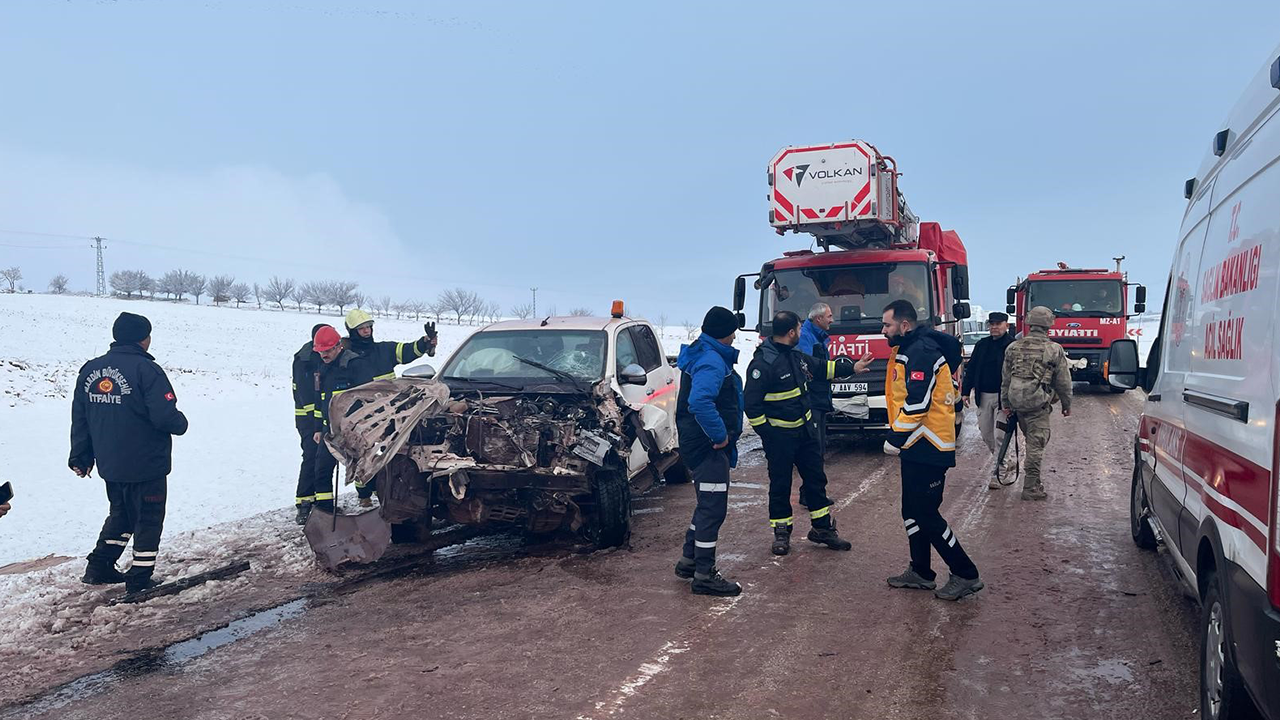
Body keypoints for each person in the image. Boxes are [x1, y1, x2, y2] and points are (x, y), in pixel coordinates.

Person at [856, 300, 982, 601]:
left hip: (929, 445)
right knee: (910, 510)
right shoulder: (908, 349)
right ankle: (921, 572)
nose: (882, 330)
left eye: (886, 325)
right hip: (916, 444)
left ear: (904, 325)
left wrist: (894, 438)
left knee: (926, 513)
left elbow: (917, 404)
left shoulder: (921, 352)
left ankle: (965, 573)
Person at [70, 312, 189, 594]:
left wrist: (81, 455)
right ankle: (140, 578)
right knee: (148, 517)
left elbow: (81, 417)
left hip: (111, 463)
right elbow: (164, 416)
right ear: (143, 339)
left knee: (121, 513)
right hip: (146, 463)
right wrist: (180, 422)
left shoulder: (90, 370)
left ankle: (99, 565)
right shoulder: (147, 370)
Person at [744, 311, 855, 556]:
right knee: (781, 485)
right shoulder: (763, 364)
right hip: (780, 439)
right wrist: (768, 435)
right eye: (799, 328)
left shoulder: (796, 356)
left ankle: (822, 530)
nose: (801, 332)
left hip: (805, 434)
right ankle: (782, 533)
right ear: (792, 332)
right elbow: (751, 406)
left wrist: (853, 367)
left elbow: (821, 368)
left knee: (816, 481)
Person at [673, 307, 744, 597]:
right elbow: (700, 402)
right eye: (733, 331)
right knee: (713, 508)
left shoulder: (702, 351)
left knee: (706, 503)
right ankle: (704, 575)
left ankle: (688, 562)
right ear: (725, 333)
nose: (735, 336)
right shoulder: (712, 361)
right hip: (708, 445)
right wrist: (720, 436)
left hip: (697, 442)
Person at [343, 309, 438, 507]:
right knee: (363, 453)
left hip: (390, 414)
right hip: (363, 416)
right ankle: (364, 494)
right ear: (352, 331)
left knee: (393, 451)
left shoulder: (384, 350)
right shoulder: (347, 358)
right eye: (361, 329)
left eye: (369, 327)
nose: (367, 331)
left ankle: (385, 488)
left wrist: (425, 342)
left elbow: (408, 350)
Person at [1000, 306, 1073, 501]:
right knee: (1036, 445)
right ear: (1049, 325)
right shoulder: (1054, 349)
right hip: (1037, 404)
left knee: (1031, 440)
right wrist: (1066, 404)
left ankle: (1034, 482)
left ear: (1030, 323)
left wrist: (1006, 403)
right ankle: (1030, 487)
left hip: (1017, 403)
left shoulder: (1013, 347)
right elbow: (1063, 382)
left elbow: (1006, 379)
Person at [962, 312, 1017, 488]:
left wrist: (1012, 401)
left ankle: (998, 475)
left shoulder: (1013, 347)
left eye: (998, 324)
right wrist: (965, 391)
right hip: (983, 396)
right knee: (987, 435)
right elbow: (971, 370)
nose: (994, 327)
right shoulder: (982, 345)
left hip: (1004, 400)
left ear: (1006, 325)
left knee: (999, 436)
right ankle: (1006, 461)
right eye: (991, 324)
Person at [313, 326, 366, 509]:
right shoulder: (322, 368)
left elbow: (368, 396)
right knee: (321, 470)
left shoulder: (355, 365)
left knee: (363, 467)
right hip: (330, 430)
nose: (323, 355)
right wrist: (318, 428)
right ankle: (324, 510)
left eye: (327, 351)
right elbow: (322, 401)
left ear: (338, 347)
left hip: (354, 429)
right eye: (320, 352)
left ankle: (369, 500)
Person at [292, 324, 330, 524]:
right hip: (307, 418)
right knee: (311, 456)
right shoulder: (305, 360)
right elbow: (307, 395)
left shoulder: (321, 356)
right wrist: (317, 424)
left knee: (322, 458)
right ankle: (304, 502)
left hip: (320, 418)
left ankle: (321, 502)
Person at [797, 303, 835, 455]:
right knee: (814, 445)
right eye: (829, 316)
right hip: (811, 398)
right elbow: (808, 367)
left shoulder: (816, 335)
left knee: (819, 441)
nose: (832, 320)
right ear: (818, 319)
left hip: (819, 398)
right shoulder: (806, 337)